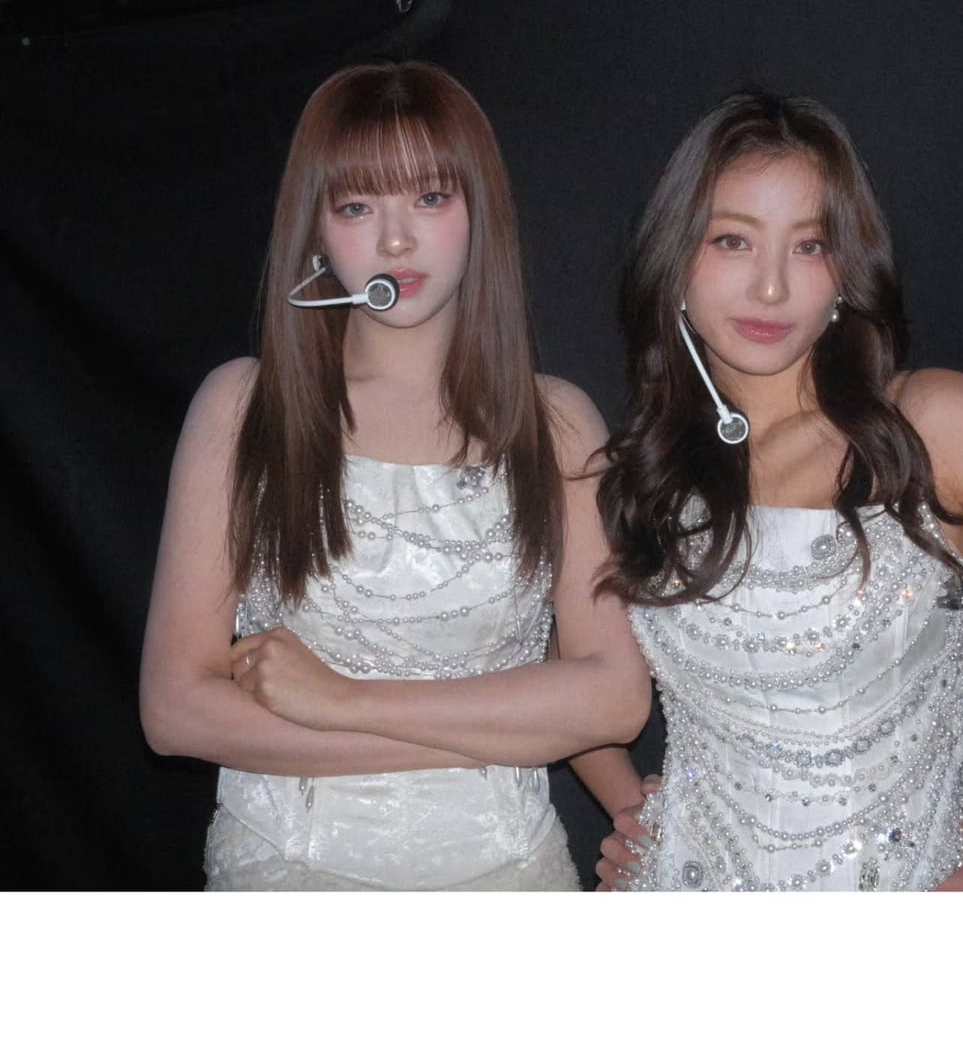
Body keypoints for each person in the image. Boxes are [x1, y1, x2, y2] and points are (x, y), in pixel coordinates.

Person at [140, 61, 650, 891]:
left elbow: (615, 698)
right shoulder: (243, 409)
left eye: (431, 197)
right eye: (357, 206)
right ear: (315, 227)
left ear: (480, 211)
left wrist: (343, 701)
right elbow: (173, 710)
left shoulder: (554, 423)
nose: (396, 241)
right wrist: (499, 731)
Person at [574, 91, 963, 892]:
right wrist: (633, 815)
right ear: (675, 261)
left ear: (847, 270)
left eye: (809, 246)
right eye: (733, 240)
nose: (771, 288)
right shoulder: (641, 471)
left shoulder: (936, 426)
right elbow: (585, 678)